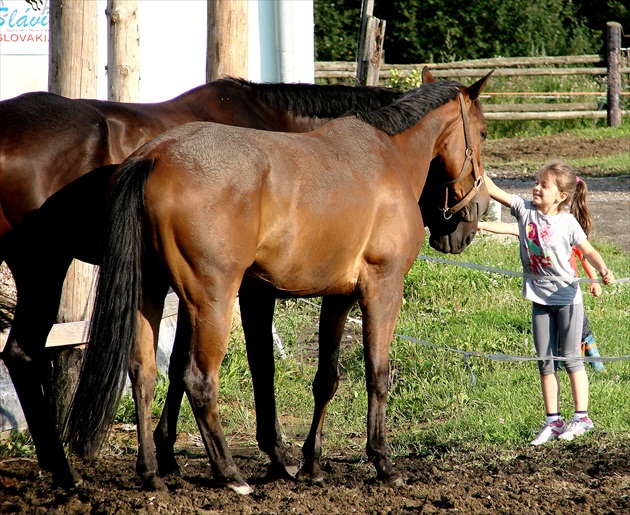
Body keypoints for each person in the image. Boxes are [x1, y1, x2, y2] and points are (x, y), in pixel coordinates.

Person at [482, 161, 615, 446]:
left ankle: (582, 418)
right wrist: (474, 166)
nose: (536, 187)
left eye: (544, 185)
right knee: (545, 362)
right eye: (536, 181)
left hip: (567, 299)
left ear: (561, 196)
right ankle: (553, 421)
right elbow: (493, 189)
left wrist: (603, 270)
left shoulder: (567, 222)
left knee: (570, 358)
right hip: (539, 299)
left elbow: (587, 250)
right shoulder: (524, 210)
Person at [478, 218, 606, 374]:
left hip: (568, 292)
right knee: (556, 331)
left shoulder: (564, 229)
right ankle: (559, 364)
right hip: (545, 294)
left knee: (582, 328)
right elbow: (508, 227)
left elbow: (584, 256)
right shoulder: (531, 232)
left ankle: (596, 362)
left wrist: (594, 281)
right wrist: (481, 225)